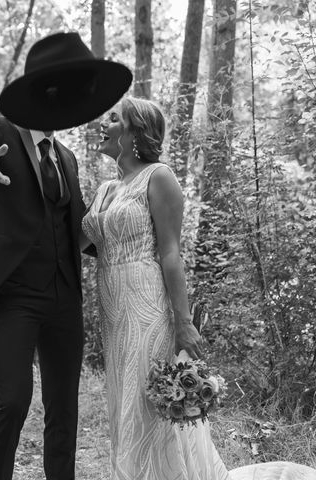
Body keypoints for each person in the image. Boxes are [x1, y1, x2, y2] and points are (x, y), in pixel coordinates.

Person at [81, 96, 316, 480]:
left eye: (112, 119)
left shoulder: (159, 176)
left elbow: (171, 253)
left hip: (147, 303)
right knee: (123, 402)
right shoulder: (106, 189)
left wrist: (183, 320)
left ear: (135, 130)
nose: (102, 126)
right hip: (113, 308)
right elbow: (72, 243)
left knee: (149, 407)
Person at [0, 32, 131, 480]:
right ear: (38, 95)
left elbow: (76, 227)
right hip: (15, 294)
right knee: (12, 401)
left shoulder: (66, 156)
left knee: (64, 410)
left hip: (65, 299)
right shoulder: (0, 130)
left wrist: (131, 232)